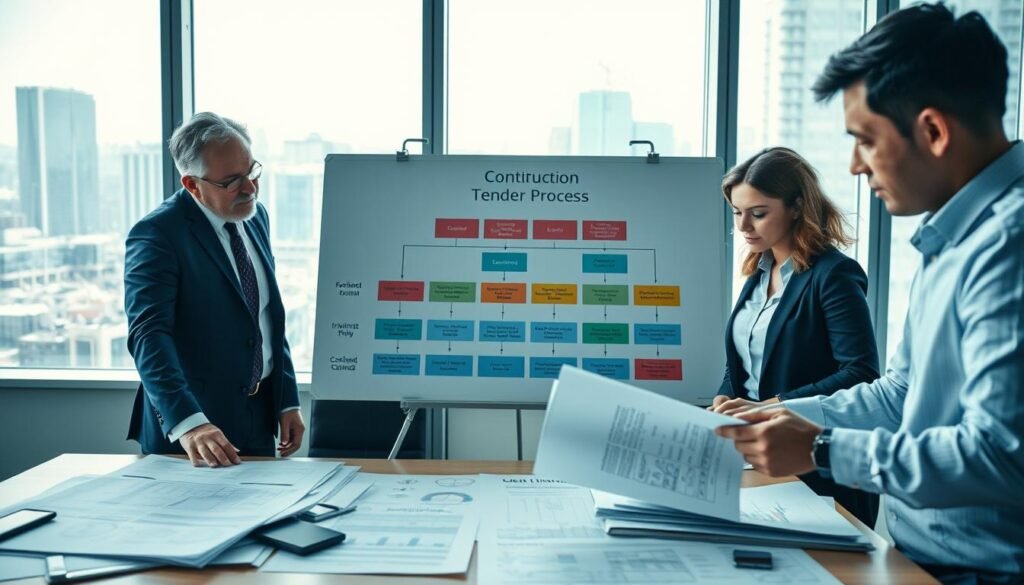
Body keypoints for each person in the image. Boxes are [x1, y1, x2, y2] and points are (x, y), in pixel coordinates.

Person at [715, 4, 1024, 583]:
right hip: (920, 557)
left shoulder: (1009, 246)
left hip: (983, 572)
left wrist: (824, 450)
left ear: (933, 131)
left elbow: (1001, 455)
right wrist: (776, 413)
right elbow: (899, 394)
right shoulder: (949, 238)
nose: (855, 166)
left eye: (865, 139)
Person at [711, 146, 880, 527]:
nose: (743, 227)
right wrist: (728, 395)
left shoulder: (833, 275)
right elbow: (745, 357)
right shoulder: (758, 272)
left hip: (816, 463)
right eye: (737, 213)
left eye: (758, 214)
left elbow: (861, 372)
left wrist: (772, 406)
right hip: (757, 459)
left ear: (796, 207)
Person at [125, 112, 305, 467]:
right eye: (233, 181)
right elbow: (149, 335)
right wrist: (190, 425)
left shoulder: (255, 216)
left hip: (258, 417)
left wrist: (287, 400)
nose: (250, 188)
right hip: (194, 434)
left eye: (252, 172)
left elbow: (264, 316)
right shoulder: (158, 234)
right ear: (192, 185)